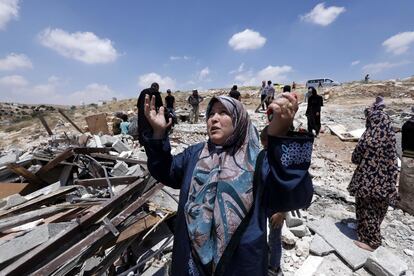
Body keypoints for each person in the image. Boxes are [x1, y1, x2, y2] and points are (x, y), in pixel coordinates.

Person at [142, 92, 314, 275]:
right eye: (211, 114)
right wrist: (159, 133)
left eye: (223, 112)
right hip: (191, 262)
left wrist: (280, 135)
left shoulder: (258, 161)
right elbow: (166, 171)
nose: (214, 119)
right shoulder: (195, 154)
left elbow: (297, 196)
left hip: (239, 265)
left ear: (239, 119)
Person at [347, 96, 399, 252]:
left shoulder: (369, 136)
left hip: (368, 182)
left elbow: (356, 157)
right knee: (378, 209)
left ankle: (372, 242)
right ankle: (368, 233)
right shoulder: (390, 136)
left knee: (366, 208)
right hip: (386, 182)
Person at [261, 125, 284, 276]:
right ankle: (262, 259)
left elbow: (286, 188)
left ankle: (274, 267)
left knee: (275, 238)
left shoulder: (281, 159)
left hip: (276, 207)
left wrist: (282, 211)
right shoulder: (263, 155)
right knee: (261, 234)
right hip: (262, 203)